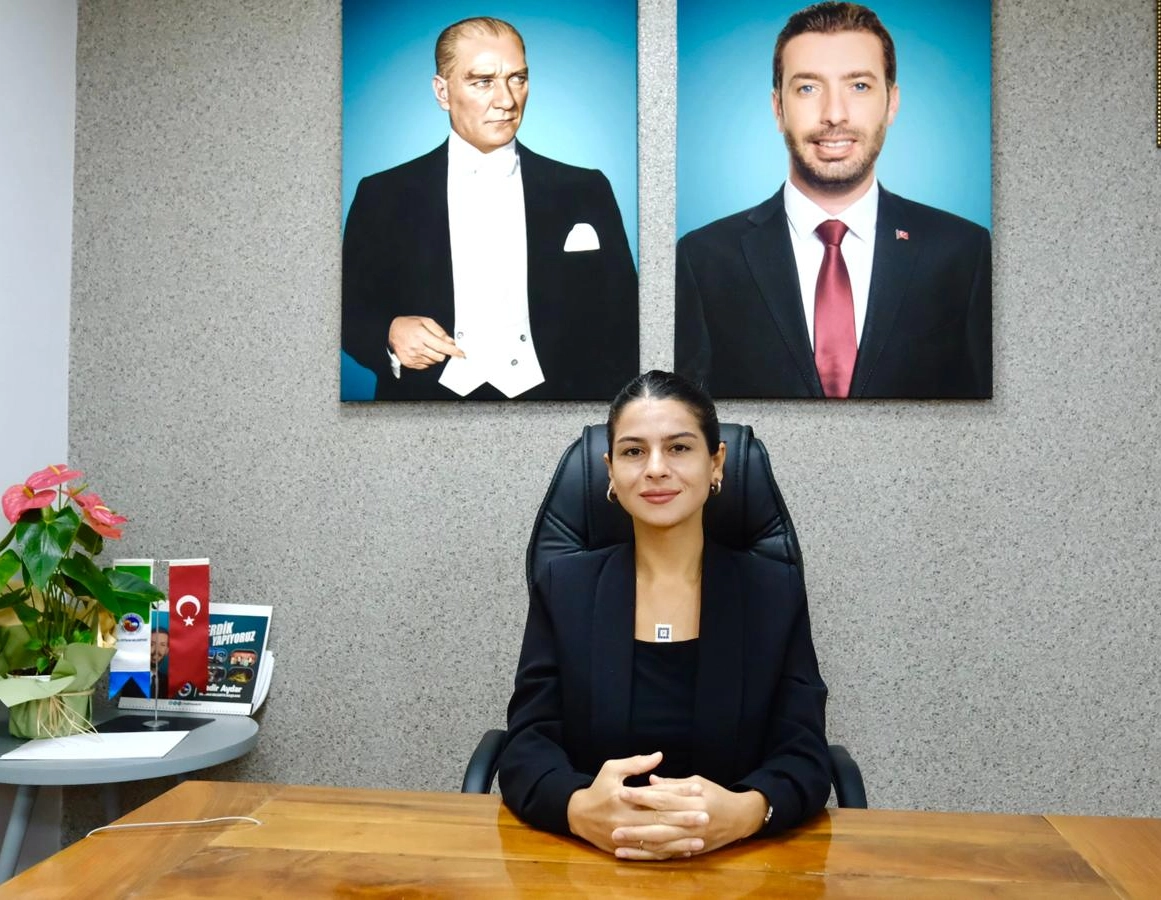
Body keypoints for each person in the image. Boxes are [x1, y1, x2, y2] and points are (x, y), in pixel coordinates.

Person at [498, 371, 831, 860]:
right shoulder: (564, 587)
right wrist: (579, 809)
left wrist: (745, 813)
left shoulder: (772, 591)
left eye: (678, 448)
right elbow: (527, 745)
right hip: (590, 864)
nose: (655, 469)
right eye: (634, 451)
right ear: (610, 471)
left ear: (716, 463)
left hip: (740, 865)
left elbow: (804, 751)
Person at [675, 1, 991, 399]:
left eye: (859, 86)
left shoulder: (964, 252)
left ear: (892, 103)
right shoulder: (702, 258)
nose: (835, 114)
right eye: (808, 88)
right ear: (778, 109)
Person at [342, 16, 638, 401]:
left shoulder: (586, 189)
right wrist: (389, 333)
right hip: (424, 407)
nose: (506, 100)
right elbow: (344, 311)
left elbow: (626, 319)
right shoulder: (382, 194)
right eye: (483, 81)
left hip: (561, 404)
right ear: (442, 92)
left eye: (517, 78)